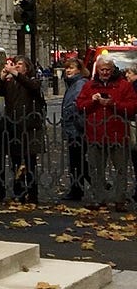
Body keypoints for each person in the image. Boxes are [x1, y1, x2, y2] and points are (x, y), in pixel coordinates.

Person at [77, 54, 133, 210]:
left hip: (118, 133)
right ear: (98, 70)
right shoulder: (90, 86)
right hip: (96, 132)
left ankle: (119, 199)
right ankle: (98, 198)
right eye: (102, 70)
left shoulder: (124, 85)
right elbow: (80, 105)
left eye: (108, 70)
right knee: (96, 168)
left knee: (121, 168)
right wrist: (92, 101)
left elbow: (132, 107)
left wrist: (112, 103)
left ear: (113, 69)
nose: (105, 73)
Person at [0, 56, 44, 206]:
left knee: (30, 162)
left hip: (29, 127)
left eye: (20, 65)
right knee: (16, 162)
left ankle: (33, 194)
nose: (16, 67)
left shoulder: (33, 80)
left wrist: (16, 74)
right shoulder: (11, 83)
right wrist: (2, 78)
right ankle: (19, 192)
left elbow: (32, 87)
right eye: (15, 64)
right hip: (14, 126)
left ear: (27, 68)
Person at [60, 56, 89, 204]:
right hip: (73, 127)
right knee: (78, 160)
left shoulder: (79, 84)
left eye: (71, 68)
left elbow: (77, 106)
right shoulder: (73, 84)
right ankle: (83, 185)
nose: (68, 71)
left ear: (79, 70)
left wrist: (73, 122)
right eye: (67, 68)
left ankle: (78, 188)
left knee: (77, 160)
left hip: (77, 128)